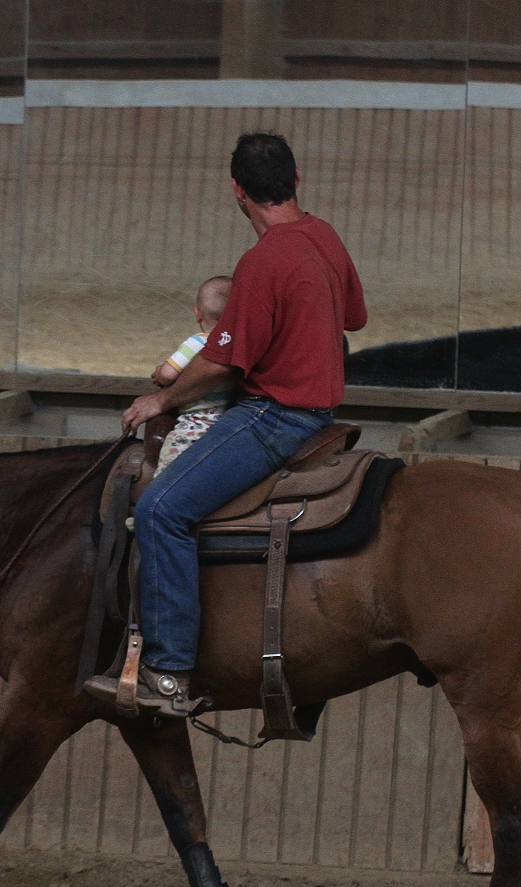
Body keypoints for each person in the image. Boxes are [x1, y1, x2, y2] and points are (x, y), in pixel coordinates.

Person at [84, 132, 367, 718]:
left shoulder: (263, 260)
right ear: (296, 181)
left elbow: (220, 362)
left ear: (238, 193)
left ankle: (168, 672)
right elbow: (355, 318)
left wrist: (158, 403)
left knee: (162, 508)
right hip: (321, 411)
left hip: (275, 415)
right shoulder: (324, 236)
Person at [152, 276, 234, 476]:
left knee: (166, 478)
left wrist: (159, 372)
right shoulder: (238, 344)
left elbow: (169, 374)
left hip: (195, 424)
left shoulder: (196, 343)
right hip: (228, 420)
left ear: (197, 313)